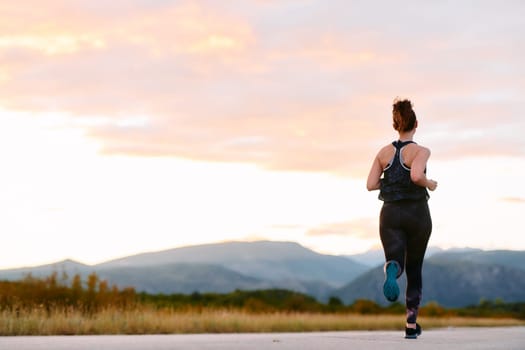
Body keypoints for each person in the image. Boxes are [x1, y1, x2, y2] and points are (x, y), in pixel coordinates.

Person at [366, 98, 437, 339]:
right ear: (416, 123)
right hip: (417, 213)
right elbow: (417, 175)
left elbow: (370, 184)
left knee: (396, 260)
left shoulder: (383, 153)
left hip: (390, 213)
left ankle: (392, 268)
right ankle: (410, 325)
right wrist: (430, 183)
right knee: (415, 270)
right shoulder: (421, 151)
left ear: (396, 124)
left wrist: (391, 182)